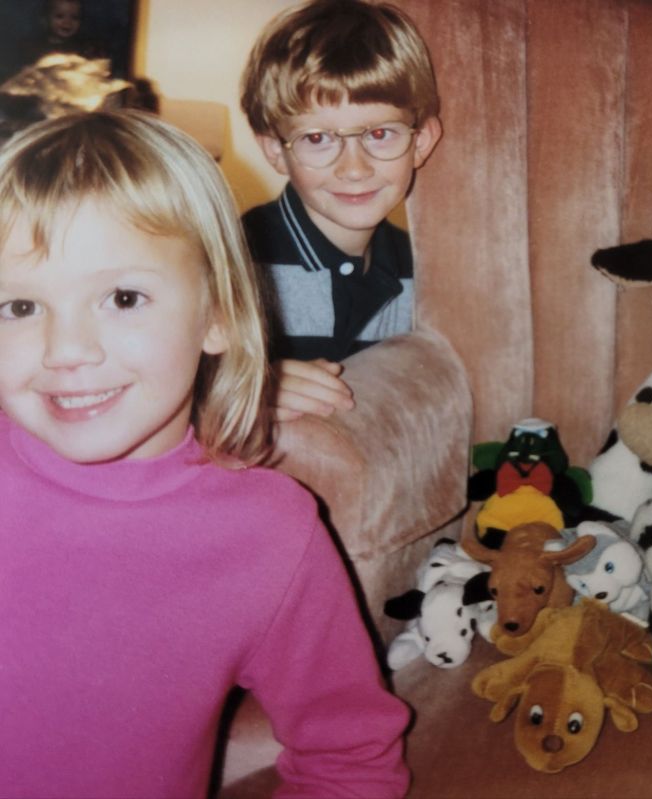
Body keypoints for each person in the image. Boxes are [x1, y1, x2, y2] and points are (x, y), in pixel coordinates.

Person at [0, 110, 410, 798]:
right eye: (18, 307)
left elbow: (350, 759)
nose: (65, 350)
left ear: (218, 314)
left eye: (123, 297)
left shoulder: (269, 533)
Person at [240, 0, 442, 421]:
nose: (354, 169)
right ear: (276, 151)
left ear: (421, 142)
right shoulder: (237, 261)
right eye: (317, 138)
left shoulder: (425, 269)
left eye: (380, 133)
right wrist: (245, 388)